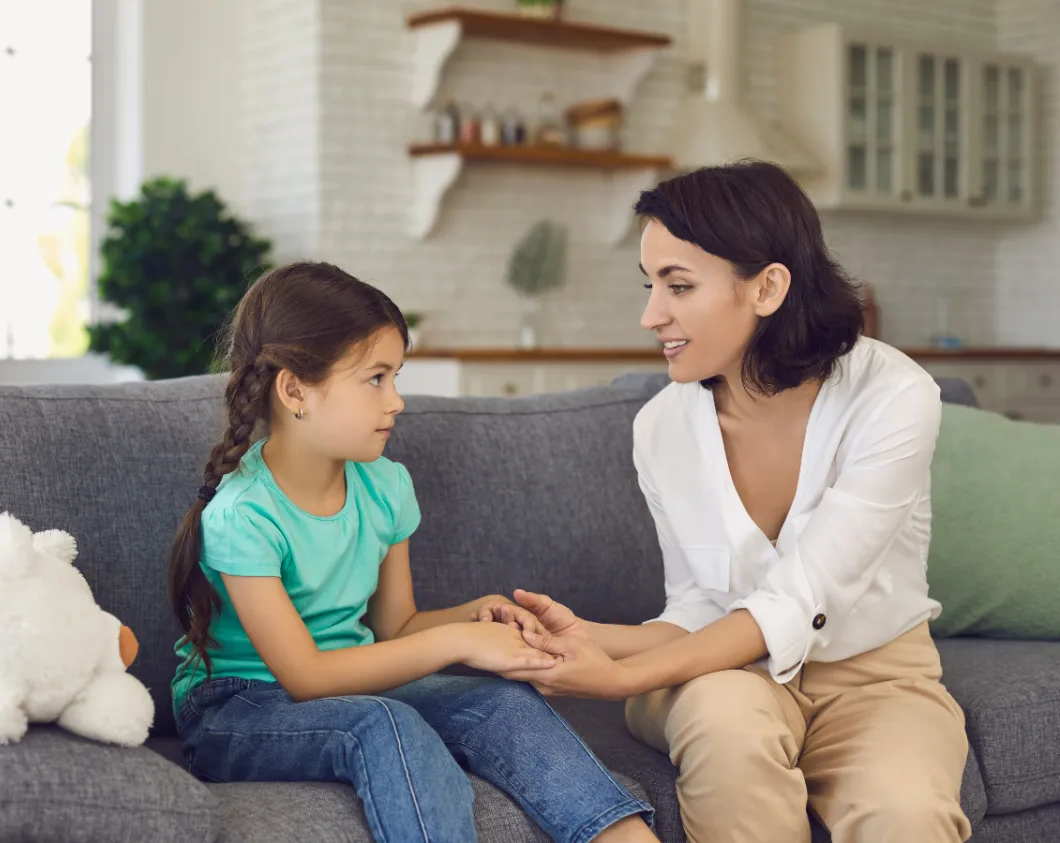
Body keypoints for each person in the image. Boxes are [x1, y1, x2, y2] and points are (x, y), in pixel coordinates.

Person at [486, 161, 971, 843]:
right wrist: (589, 639)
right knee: (727, 731)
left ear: (768, 286)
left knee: (905, 812)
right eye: (651, 284)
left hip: (875, 679)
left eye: (678, 285)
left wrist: (615, 678)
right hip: (723, 671)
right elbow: (696, 609)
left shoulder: (891, 396)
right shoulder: (660, 427)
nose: (651, 314)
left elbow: (800, 599)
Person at [168, 262, 658, 843]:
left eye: (396, 376)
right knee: (384, 725)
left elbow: (396, 626)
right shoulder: (243, 513)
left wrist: (477, 614)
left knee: (503, 702)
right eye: (376, 378)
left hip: (355, 687)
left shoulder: (386, 486)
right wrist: (456, 642)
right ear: (295, 389)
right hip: (235, 710)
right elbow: (304, 677)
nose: (397, 401)